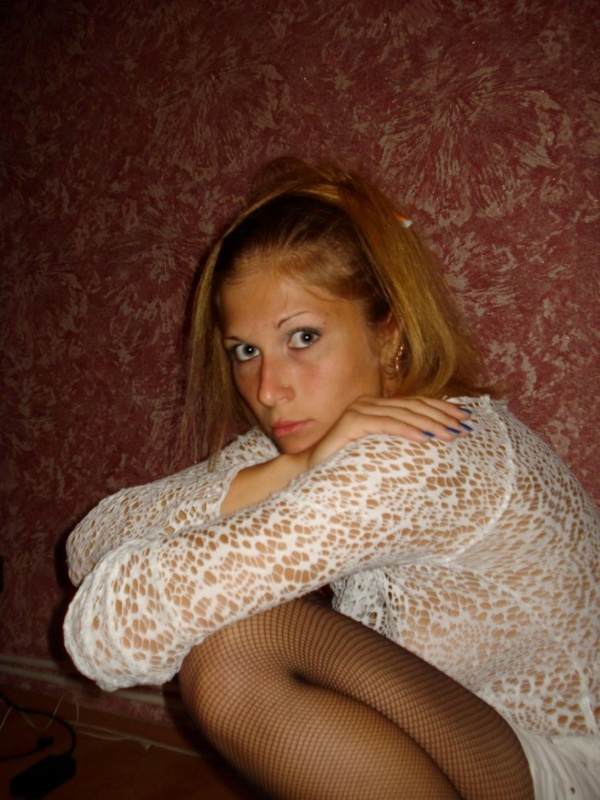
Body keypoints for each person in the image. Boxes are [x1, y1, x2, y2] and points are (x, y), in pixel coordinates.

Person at [64, 159, 599, 800]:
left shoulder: (415, 453)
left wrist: (294, 468)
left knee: (235, 651)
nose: (267, 389)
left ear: (389, 333)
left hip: (571, 766)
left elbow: (115, 636)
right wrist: (292, 467)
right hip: (479, 741)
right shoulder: (326, 432)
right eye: (245, 351)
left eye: (303, 337)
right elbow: (87, 546)